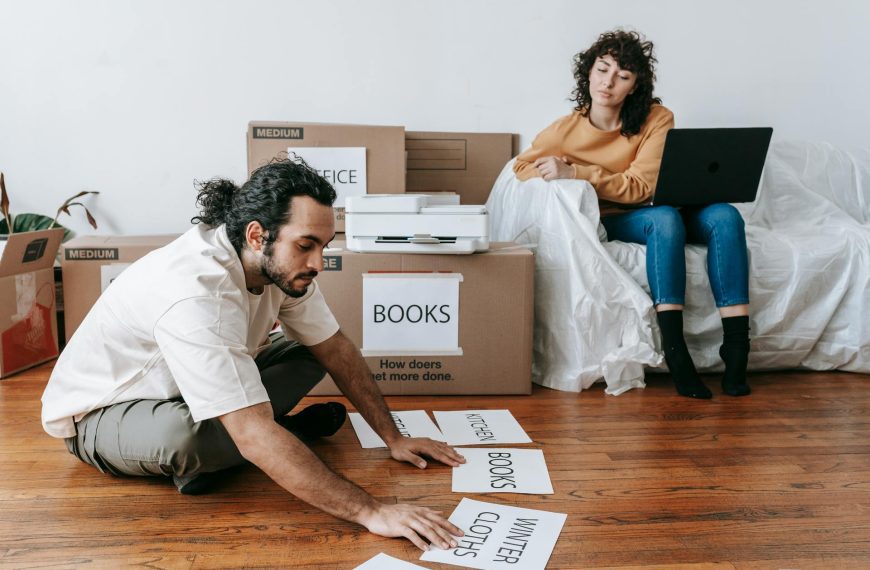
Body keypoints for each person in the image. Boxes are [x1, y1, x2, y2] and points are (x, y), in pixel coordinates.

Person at [41, 159, 466, 552]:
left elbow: (335, 347)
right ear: (257, 235)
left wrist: (394, 437)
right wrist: (372, 511)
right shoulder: (194, 290)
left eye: (324, 245)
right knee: (190, 440)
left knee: (313, 350)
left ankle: (267, 440)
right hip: (101, 416)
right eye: (306, 245)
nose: (318, 262)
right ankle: (274, 438)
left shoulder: (283, 270)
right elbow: (248, 429)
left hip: (190, 388)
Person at [513, 29, 751, 399]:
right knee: (665, 219)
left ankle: (737, 348)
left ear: (635, 85)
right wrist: (556, 170)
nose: (608, 83)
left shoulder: (657, 118)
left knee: (725, 216)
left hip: (661, 205)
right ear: (588, 72)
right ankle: (676, 351)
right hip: (620, 217)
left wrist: (581, 172)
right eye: (602, 69)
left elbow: (640, 186)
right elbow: (521, 168)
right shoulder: (564, 131)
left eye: (622, 76)